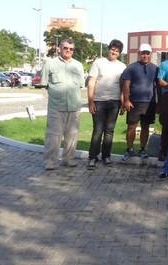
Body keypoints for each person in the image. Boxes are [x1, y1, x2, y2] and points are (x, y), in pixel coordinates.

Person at [41, 39, 85, 170]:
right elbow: (44, 84)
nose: (68, 51)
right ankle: (50, 161)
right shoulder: (49, 64)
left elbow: (80, 85)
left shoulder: (78, 65)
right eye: (65, 48)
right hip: (56, 107)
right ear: (59, 48)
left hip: (74, 106)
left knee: (72, 136)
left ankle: (68, 159)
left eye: (71, 49)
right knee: (53, 136)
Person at [86, 39, 126, 168]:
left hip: (114, 102)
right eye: (112, 49)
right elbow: (91, 82)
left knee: (109, 131)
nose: (114, 52)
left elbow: (123, 86)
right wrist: (90, 102)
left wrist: (123, 102)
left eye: (117, 51)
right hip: (99, 102)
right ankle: (93, 157)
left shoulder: (122, 66)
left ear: (119, 53)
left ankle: (106, 156)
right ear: (109, 49)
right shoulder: (98, 63)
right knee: (98, 130)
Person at [121, 43, 158, 161]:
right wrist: (126, 100)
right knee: (131, 126)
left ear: (150, 54)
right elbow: (126, 85)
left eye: (147, 53)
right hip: (134, 102)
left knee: (145, 127)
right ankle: (129, 149)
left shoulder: (155, 68)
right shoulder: (131, 67)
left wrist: (158, 103)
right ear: (139, 54)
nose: (145, 56)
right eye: (143, 53)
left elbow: (157, 85)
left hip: (149, 103)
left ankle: (142, 149)